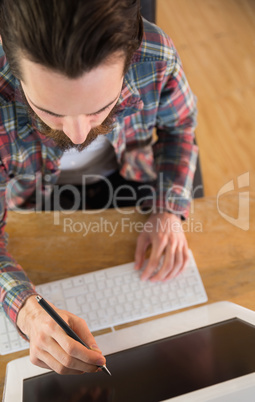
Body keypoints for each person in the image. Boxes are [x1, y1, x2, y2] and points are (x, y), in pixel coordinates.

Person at [0, 0, 198, 375]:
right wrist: (25, 309)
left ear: (132, 56)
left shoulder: (157, 56)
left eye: (100, 107)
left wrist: (168, 207)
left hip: (130, 179)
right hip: (29, 201)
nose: (77, 135)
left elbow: (179, 128)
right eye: (49, 110)